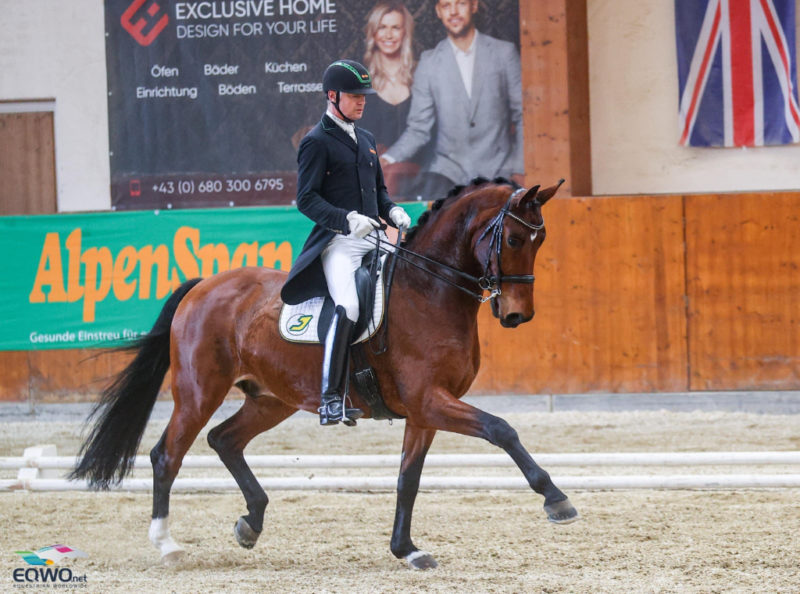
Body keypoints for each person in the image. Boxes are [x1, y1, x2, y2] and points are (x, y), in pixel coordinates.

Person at [280, 59, 412, 427]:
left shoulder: (367, 140)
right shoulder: (315, 141)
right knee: (349, 306)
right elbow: (305, 199)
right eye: (354, 96)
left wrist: (393, 210)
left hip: (374, 238)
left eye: (364, 96)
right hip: (339, 243)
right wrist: (345, 219)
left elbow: (379, 193)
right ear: (333, 96)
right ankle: (331, 398)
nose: (361, 102)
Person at [381, 0, 524, 199]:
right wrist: (388, 158)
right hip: (447, 177)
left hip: (500, 172)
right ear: (438, 12)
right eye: (446, 6)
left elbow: (523, 116)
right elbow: (418, 129)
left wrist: (519, 169)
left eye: (461, 4)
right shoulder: (429, 62)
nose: (454, 12)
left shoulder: (503, 53)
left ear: (474, 6)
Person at [359, 1, 421, 198]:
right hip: (372, 172)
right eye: (382, 27)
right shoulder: (360, 79)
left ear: (405, 32)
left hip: (420, 170)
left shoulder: (422, 74)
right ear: (373, 33)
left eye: (395, 27)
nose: (388, 35)